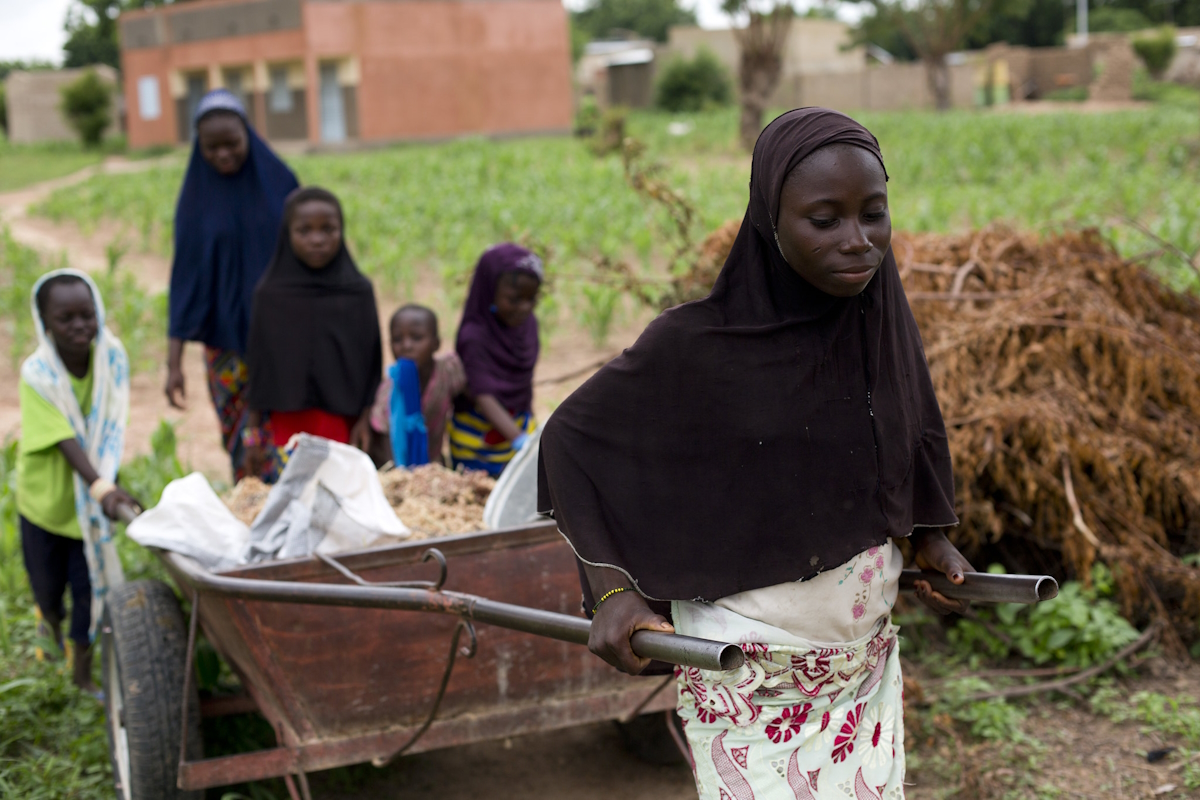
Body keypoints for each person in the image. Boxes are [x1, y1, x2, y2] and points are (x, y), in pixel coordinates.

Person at [537, 108, 973, 798]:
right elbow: (571, 442)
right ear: (772, 222)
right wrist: (613, 592)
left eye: (873, 214)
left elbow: (911, 427)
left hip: (862, 663)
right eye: (824, 220)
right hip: (749, 670)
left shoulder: (877, 321)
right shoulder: (698, 346)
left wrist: (930, 537)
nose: (858, 241)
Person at [164, 88, 299, 482]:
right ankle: (252, 506)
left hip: (282, 338)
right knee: (241, 439)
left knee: (285, 437)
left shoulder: (280, 184)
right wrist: (174, 363)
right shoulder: (195, 201)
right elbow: (185, 279)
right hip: (224, 346)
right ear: (198, 147)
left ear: (249, 136)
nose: (223, 154)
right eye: (212, 147)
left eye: (232, 144)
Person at [18, 270, 138, 693]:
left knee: (89, 595)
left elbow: (111, 426)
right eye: (65, 318)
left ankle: (82, 676)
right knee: (49, 590)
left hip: (90, 510)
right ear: (44, 321)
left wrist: (109, 481)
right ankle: (47, 620)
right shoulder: (38, 374)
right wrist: (101, 486)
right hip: (46, 508)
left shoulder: (113, 359)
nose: (79, 326)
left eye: (87, 315)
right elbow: (67, 439)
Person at [243, 187, 382, 476]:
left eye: (328, 229)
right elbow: (260, 370)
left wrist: (367, 417)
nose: (317, 240)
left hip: (346, 427)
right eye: (304, 231)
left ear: (341, 231)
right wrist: (253, 434)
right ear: (287, 234)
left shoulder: (357, 293)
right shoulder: (271, 296)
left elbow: (371, 364)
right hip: (287, 428)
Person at [449, 244, 542, 477]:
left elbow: (524, 382)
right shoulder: (475, 336)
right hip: (478, 443)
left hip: (517, 425)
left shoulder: (527, 326)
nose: (525, 307)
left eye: (532, 299)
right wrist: (522, 442)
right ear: (490, 290)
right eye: (514, 299)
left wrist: (528, 433)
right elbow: (484, 395)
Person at [368, 305, 467, 467]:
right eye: (397, 340)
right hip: (399, 465)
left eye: (416, 338)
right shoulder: (389, 392)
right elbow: (386, 446)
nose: (406, 346)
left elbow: (470, 392)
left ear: (436, 343)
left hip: (434, 462)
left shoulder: (448, 371)